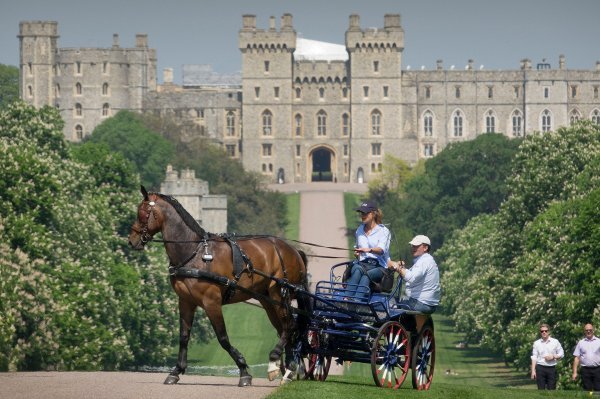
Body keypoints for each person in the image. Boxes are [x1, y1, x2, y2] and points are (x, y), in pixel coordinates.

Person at [344, 200, 390, 299]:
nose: (362, 215)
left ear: (373, 214)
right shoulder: (359, 230)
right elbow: (358, 249)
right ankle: (346, 299)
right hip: (362, 264)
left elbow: (381, 250)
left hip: (378, 266)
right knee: (356, 269)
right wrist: (357, 253)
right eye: (361, 213)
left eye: (365, 213)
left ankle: (356, 301)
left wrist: (369, 250)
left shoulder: (384, 231)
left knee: (366, 275)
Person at [388, 235, 440, 314]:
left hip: (420, 303)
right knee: (393, 301)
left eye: (416, 246)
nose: (413, 248)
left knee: (386, 302)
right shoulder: (426, 260)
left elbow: (411, 277)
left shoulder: (424, 261)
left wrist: (396, 266)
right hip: (427, 304)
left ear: (425, 248)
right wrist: (402, 269)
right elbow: (413, 275)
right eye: (412, 246)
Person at [530, 323, 564, 390]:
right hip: (540, 368)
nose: (544, 332)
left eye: (546, 331)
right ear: (540, 332)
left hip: (551, 368)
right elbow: (534, 357)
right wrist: (533, 370)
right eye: (542, 331)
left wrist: (553, 357)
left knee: (552, 389)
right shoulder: (536, 343)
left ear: (549, 331)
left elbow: (561, 353)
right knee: (541, 390)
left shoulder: (555, 341)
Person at [572, 323, 600, 391]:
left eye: (590, 330)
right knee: (587, 390)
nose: (588, 331)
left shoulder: (599, 341)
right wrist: (575, 372)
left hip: (597, 369)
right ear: (584, 331)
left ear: (593, 330)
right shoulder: (581, 342)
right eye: (586, 330)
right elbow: (577, 358)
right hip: (585, 370)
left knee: (598, 389)